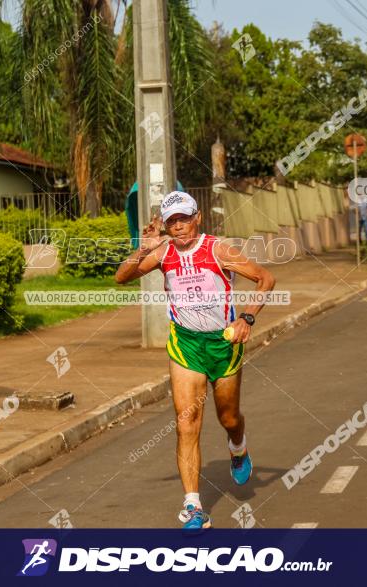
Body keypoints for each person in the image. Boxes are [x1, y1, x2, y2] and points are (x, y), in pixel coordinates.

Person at [115, 191, 276, 531]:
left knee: (228, 416)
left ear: (197, 217)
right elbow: (121, 277)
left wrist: (246, 318)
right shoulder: (163, 254)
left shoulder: (218, 249)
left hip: (223, 344)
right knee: (187, 422)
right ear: (165, 225)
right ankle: (193, 506)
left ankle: (238, 445)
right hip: (185, 344)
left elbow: (265, 279)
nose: (179, 227)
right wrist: (144, 248)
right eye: (172, 221)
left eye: (184, 218)